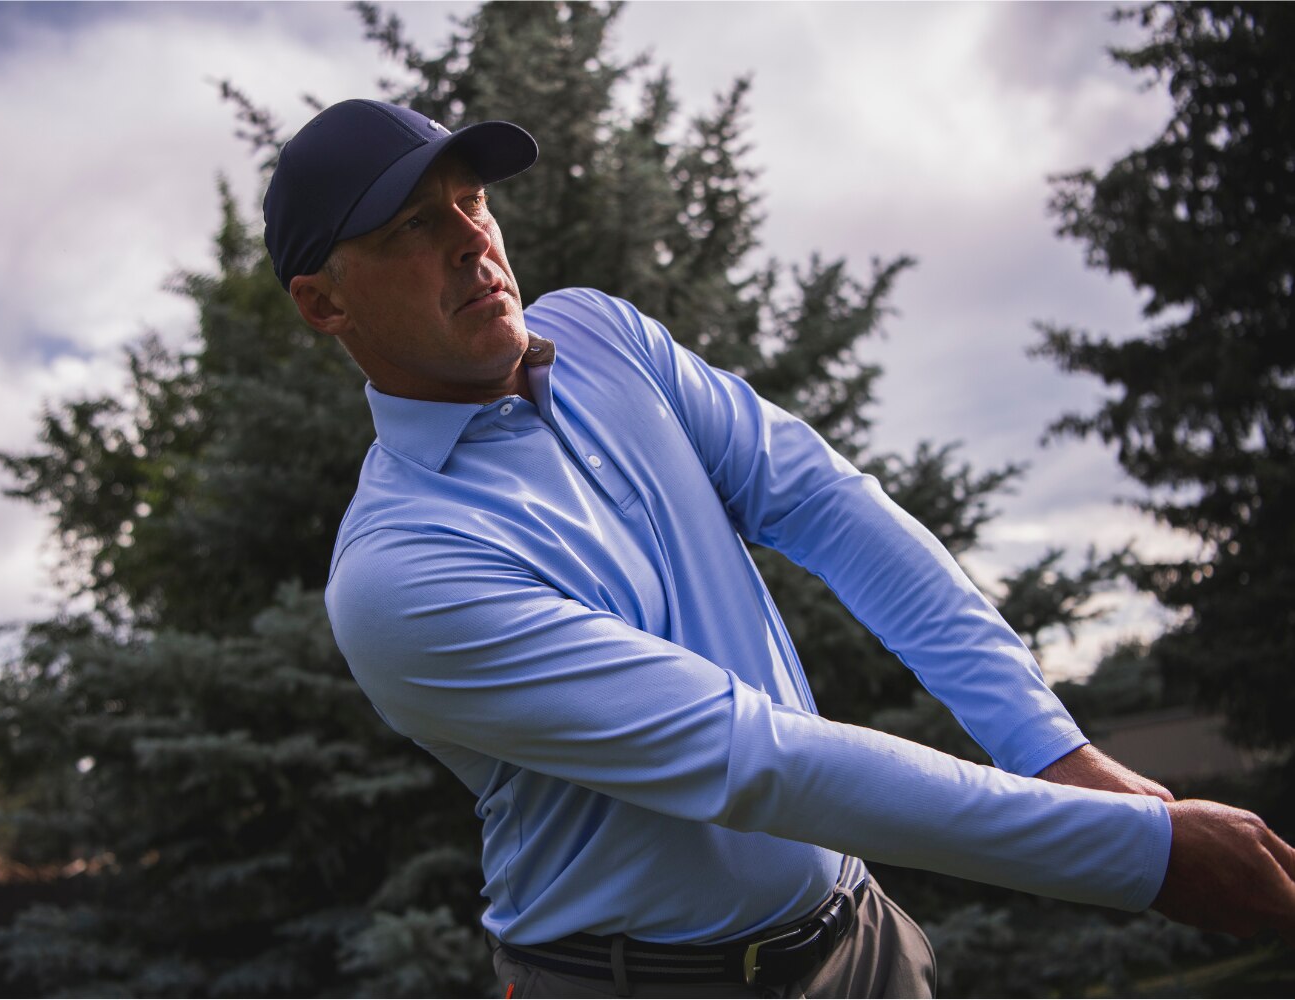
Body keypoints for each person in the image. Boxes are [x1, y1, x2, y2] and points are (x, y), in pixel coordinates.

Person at [263, 98, 1295, 998]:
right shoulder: (401, 570)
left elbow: (832, 509)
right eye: (413, 225)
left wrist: (1051, 750)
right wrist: (1136, 857)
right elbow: (751, 758)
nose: (471, 241)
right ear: (324, 302)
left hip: (863, 941)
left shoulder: (603, 339)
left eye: (472, 201)